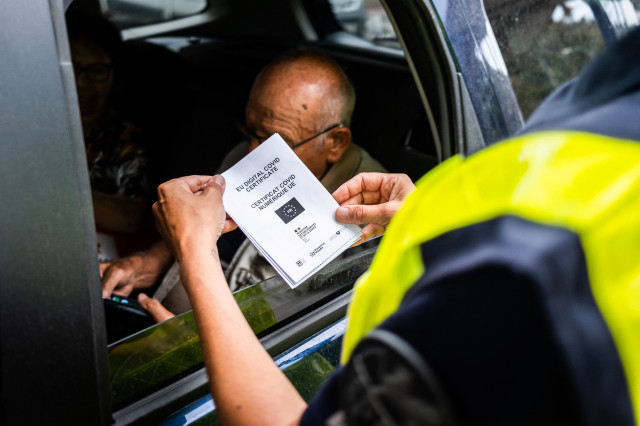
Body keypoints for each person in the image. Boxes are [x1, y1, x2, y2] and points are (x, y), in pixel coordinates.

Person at [150, 26, 640, 425]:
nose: (257, 156)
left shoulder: (524, 271)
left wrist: (194, 253)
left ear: (337, 142)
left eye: (275, 140)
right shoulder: (584, 193)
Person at [101, 50, 386, 314]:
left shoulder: (369, 217)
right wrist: (143, 265)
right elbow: (203, 231)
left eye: (276, 142)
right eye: (249, 132)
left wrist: (188, 347)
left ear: (335, 142)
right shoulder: (247, 153)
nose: (251, 153)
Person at [67, 15, 158, 261]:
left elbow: (129, 218)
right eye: (73, 69)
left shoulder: (125, 137)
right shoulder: (38, 124)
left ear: (113, 75)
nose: (83, 84)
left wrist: (49, 192)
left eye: (97, 71)